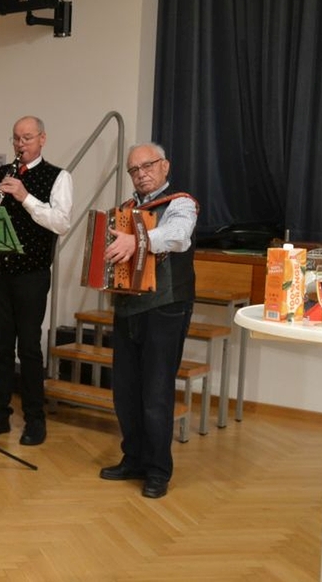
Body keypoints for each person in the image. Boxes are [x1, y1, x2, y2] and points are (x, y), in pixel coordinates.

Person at [99, 143, 198, 499]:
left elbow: (178, 236)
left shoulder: (181, 203)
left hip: (166, 307)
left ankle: (158, 471)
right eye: (133, 169)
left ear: (165, 165)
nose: (140, 174)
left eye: (147, 166)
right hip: (128, 307)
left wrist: (136, 242)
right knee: (126, 391)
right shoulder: (126, 210)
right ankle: (134, 459)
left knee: (156, 393)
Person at [0, 116, 73, 446]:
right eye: (16, 138)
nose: (20, 144)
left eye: (27, 138)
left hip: (32, 274)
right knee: (1, 347)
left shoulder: (59, 177)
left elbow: (61, 223)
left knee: (29, 348)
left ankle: (35, 419)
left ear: (42, 139)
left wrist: (25, 197)